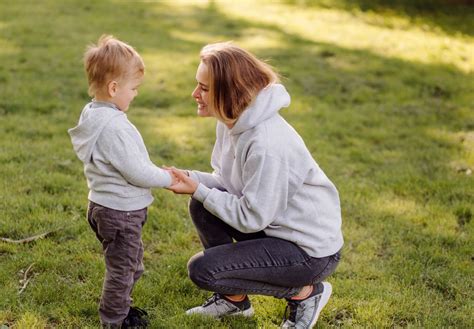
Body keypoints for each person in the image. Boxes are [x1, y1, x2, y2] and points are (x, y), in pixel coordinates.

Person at [168, 42, 343, 328]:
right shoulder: (232, 121)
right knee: (203, 204)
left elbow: (251, 217)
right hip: (275, 229)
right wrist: (190, 179)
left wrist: (199, 189)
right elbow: (227, 183)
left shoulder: (266, 143)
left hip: (309, 252)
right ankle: (234, 302)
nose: (195, 94)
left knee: (203, 270)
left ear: (229, 92)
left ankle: (306, 293)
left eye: (205, 88)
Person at [68, 35, 176, 328]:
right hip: (121, 212)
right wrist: (168, 177)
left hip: (102, 205)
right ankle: (114, 321)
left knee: (129, 265)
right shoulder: (114, 127)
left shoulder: (93, 113)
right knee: (123, 270)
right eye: (134, 89)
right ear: (114, 88)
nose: (136, 94)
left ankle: (121, 307)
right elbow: (137, 172)